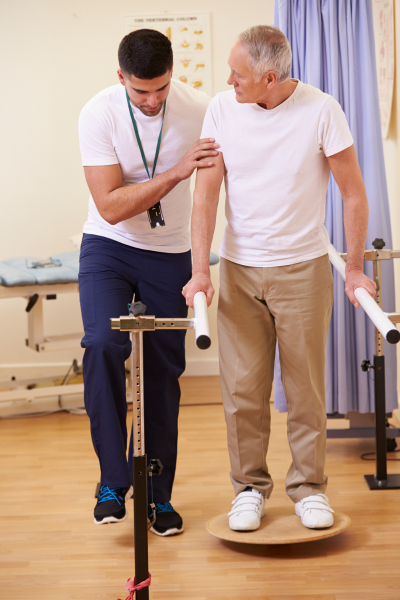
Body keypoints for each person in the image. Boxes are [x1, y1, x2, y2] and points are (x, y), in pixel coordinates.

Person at [183, 25, 376, 532]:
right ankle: (248, 488)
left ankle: (308, 489)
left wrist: (354, 268)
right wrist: (201, 269)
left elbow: (352, 193)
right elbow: (204, 196)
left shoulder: (321, 110)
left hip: (304, 268)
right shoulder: (223, 110)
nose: (228, 81)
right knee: (243, 391)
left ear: (270, 77)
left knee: (305, 388)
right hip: (242, 270)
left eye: (238, 74)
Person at [78, 29, 218, 535]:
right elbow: (111, 208)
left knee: (161, 371)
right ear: (121, 78)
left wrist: (201, 265)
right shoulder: (99, 113)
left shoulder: (202, 109)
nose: (154, 100)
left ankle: (158, 494)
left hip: (170, 252)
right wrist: (177, 172)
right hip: (108, 249)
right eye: (141, 91)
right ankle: (113, 480)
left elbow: (210, 195)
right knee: (101, 346)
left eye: (161, 87)